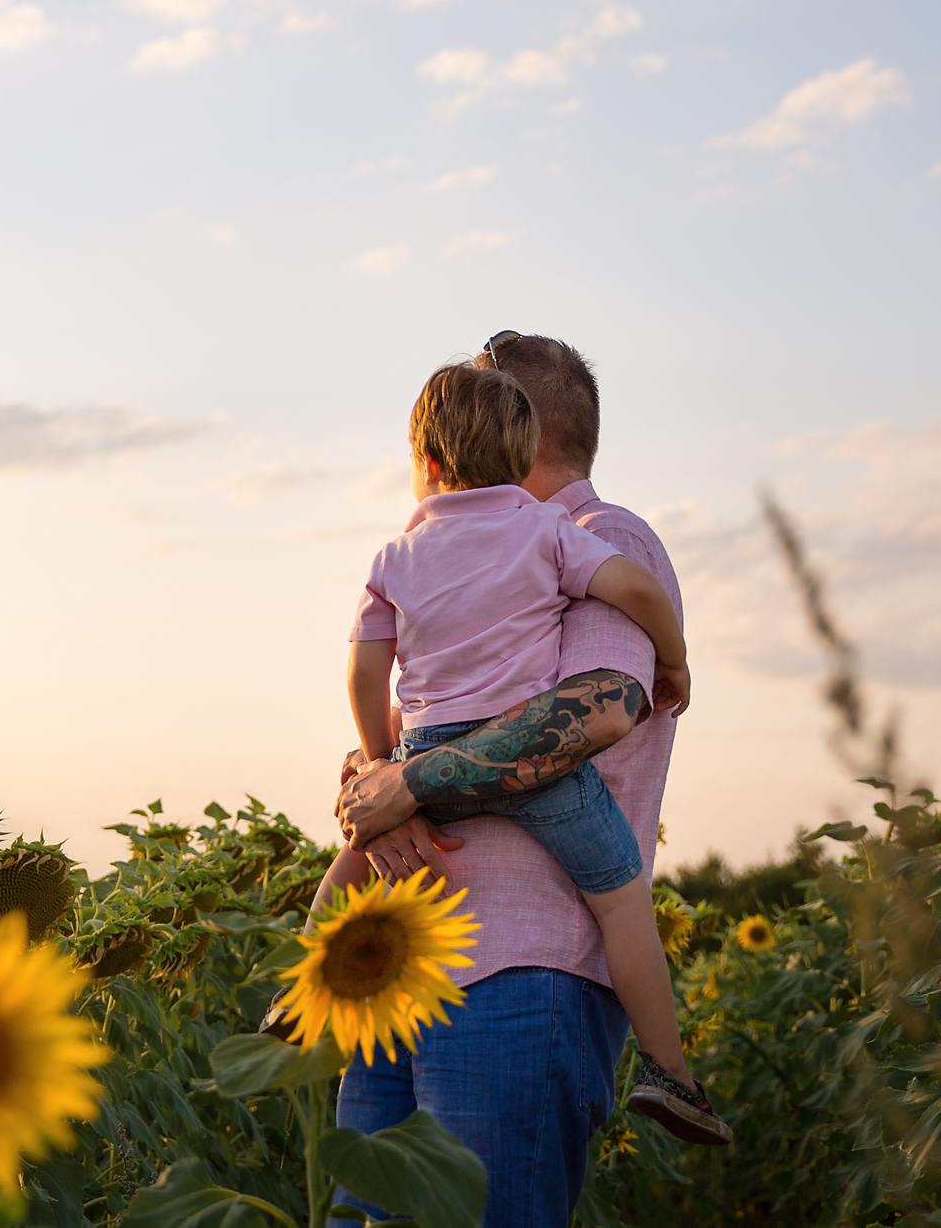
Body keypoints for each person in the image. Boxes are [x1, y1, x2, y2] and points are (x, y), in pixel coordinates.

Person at [325, 332, 714, 1227]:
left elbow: (602, 705)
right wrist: (372, 781)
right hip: (408, 956)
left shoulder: (596, 534)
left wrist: (406, 782)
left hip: (516, 968)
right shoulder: (454, 561)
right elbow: (398, 725)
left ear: (519, 431)